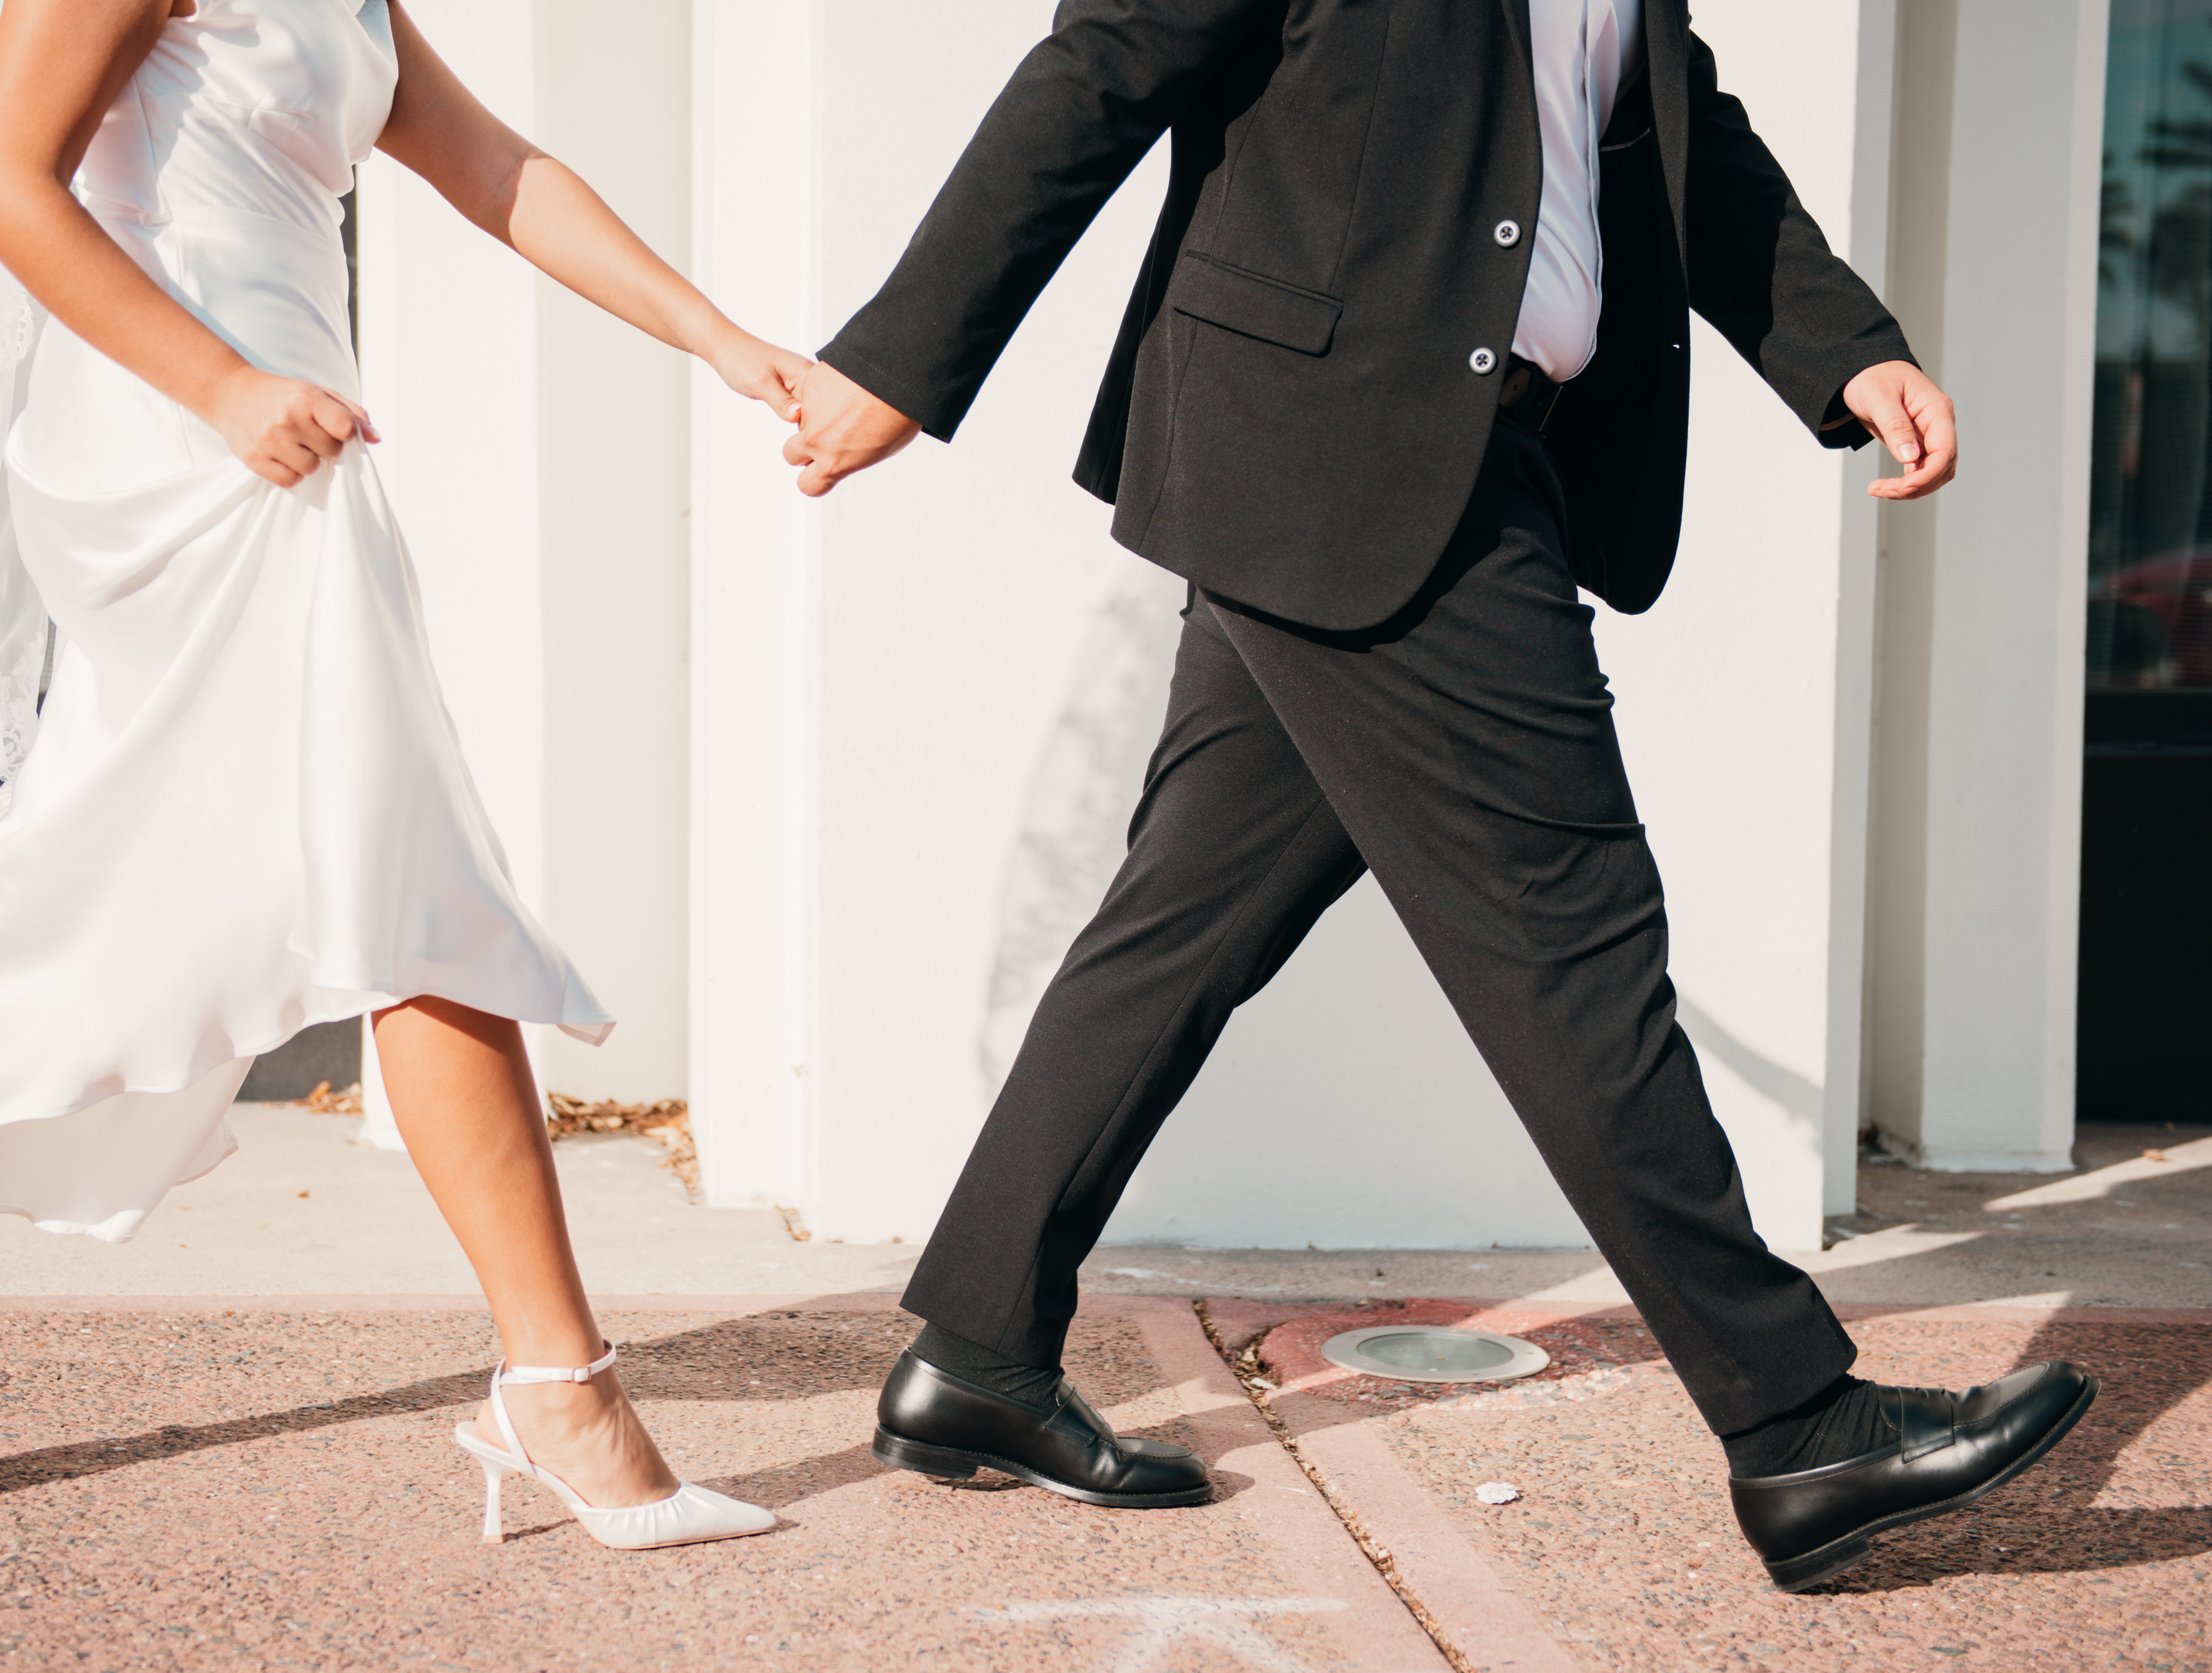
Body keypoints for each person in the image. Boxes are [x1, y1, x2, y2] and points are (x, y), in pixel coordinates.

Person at [783, 0, 2094, 1592]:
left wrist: (1846, 346)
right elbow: (1107, 56)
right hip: (1334, 443)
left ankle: (978, 1353)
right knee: (1572, 939)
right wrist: (904, 360)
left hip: (1447, 454)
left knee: (1184, 922)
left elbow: (1673, 123)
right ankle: (1799, 1424)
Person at [0, 0, 800, 1552]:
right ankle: (558, 1389)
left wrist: (720, 339)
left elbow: (496, 166)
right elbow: (2, 182)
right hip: (190, 452)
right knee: (400, 889)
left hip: (295, 453)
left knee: (135, 898)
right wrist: (223, 387)